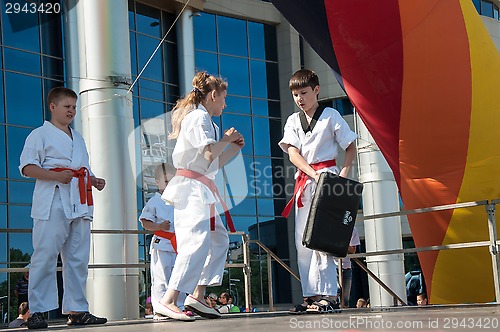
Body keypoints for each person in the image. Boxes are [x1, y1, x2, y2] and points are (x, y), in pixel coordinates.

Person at [154, 71, 244, 321]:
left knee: (218, 240)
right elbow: (207, 155)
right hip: (190, 187)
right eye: (223, 98)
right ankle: (169, 299)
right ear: (213, 95)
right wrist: (226, 140)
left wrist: (232, 148)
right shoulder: (197, 117)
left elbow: (212, 163)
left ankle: (197, 295)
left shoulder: (210, 122)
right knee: (194, 241)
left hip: (202, 186)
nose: (225, 104)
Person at [19, 87, 107, 329]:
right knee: (45, 256)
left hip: (79, 200)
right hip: (53, 199)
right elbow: (27, 168)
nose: (72, 111)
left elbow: (82, 168)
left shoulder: (78, 138)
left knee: (78, 258)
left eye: (74, 107)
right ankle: (36, 311)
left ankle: (77, 310)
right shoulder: (39, 134)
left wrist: (94, 180)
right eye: (67, 106)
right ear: (53, 107)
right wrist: (54, 176)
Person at [278, 69, 357, 314]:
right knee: (303, 240)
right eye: (295, 95)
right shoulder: (293, 120)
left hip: (329, 179)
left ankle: (329, 295)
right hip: (306, 180)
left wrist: (342, 179)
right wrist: (313, 175)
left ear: (316, 90)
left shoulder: (331, 115)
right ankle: (310, 295)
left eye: (303, 93)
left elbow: (350, 146)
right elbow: (292, 153)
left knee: (322, 239)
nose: (300, 98)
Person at [140, 162, 184, 320]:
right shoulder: (154, 201)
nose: (169, 184)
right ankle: (159, 308)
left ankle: (179, 305)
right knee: (161, 277)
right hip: (162, 243)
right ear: (157, 182)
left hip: (179, 245)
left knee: (179, 276)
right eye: (166, 181)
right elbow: (144, 222)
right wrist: (159, 226)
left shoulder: (179, 200)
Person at [337, 226, 361, 308]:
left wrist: (342, 242)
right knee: (335, 292)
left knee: (345, 299)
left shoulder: (353, 229)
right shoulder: (331, 226)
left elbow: (353, 250)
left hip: (346, 267)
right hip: (332, 266)